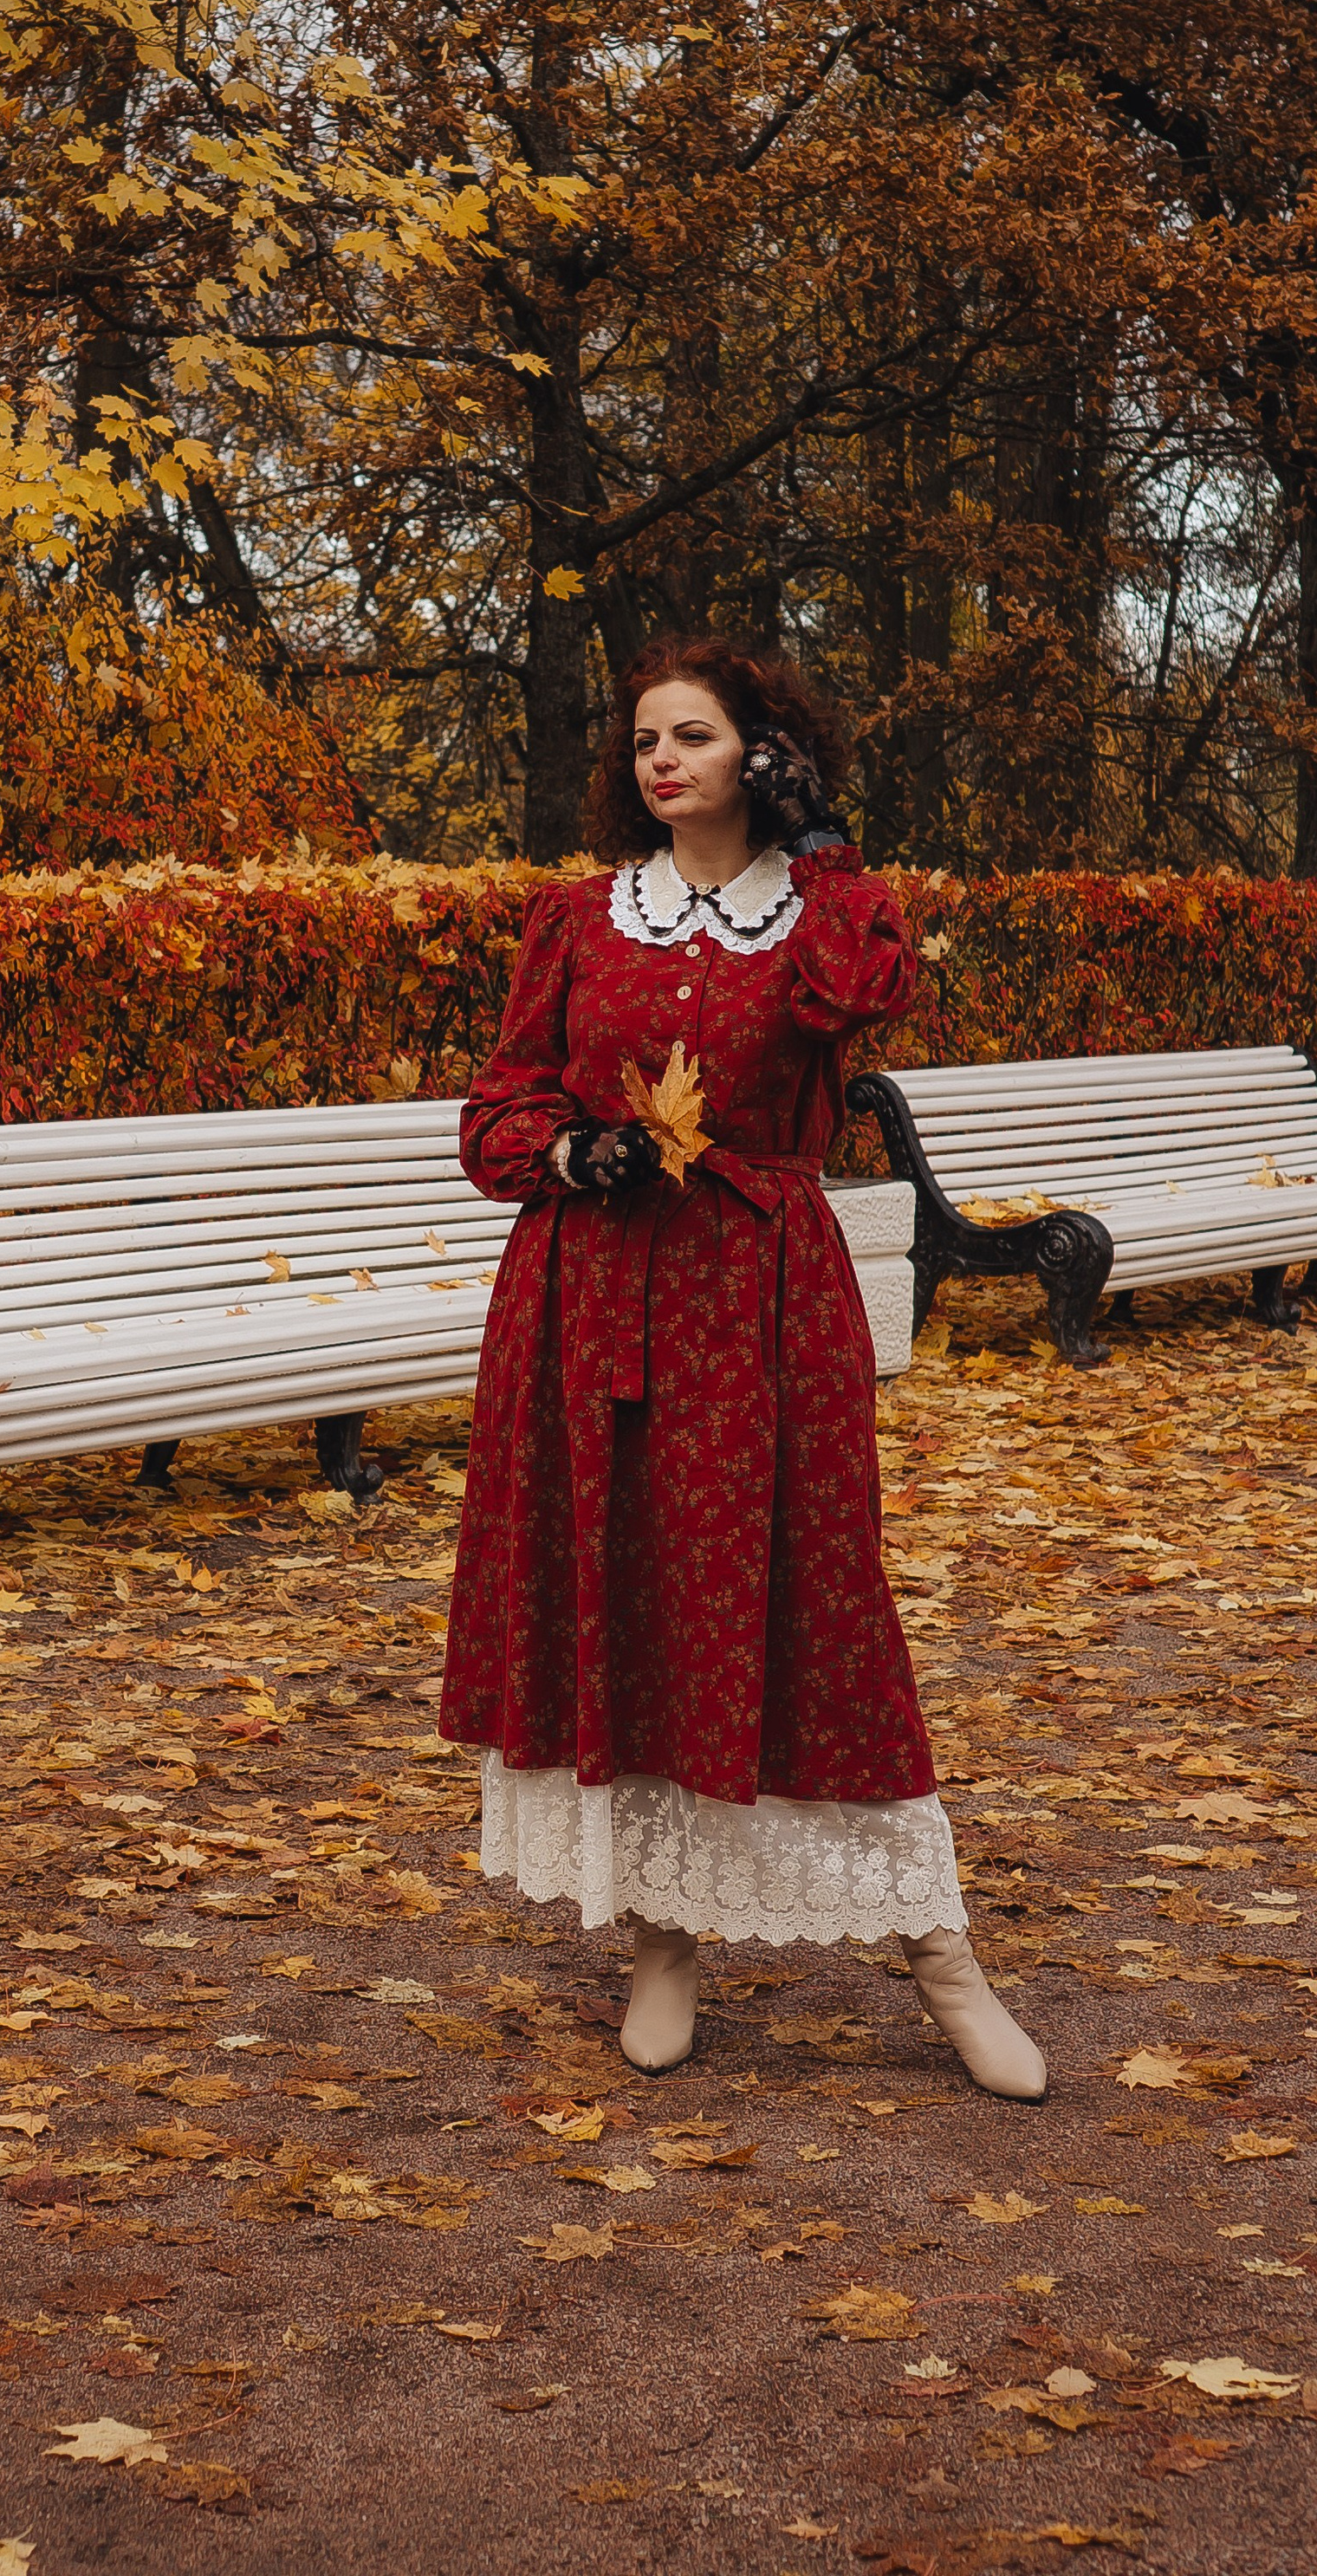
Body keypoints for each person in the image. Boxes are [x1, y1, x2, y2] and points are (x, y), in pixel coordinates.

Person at [438, 634, 1044, 2098]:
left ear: (758, 755)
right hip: (593, 1295)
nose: (662, 760)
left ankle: (939, 1954)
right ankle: (659, 1940)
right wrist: (574, 1149)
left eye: (696, 737)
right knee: (628, 1597)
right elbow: (496, 1114)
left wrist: (821, 839)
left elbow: (861, 999)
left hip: (764, 1297)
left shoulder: (835, 917)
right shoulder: (580, 919)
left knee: (815, 1602)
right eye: (647, 738)